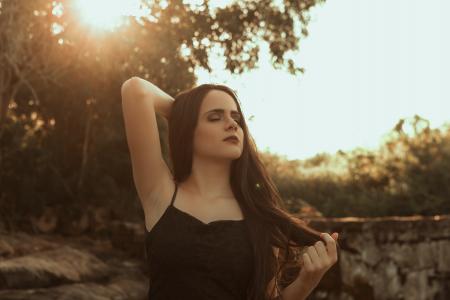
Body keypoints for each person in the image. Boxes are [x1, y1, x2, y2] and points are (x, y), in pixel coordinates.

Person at [121, 76, 340, 300]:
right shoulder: (161, 193)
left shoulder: (259, 215)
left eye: (236, 118)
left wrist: (306, 282)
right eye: (214, 117)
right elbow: (136, 90)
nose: (232, 124)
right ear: (188, 130)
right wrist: (181, 114)